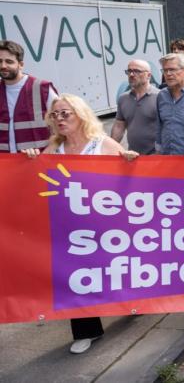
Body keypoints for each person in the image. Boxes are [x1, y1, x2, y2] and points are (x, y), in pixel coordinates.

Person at [23, 94, 138, 354]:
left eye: (66, 113)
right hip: (70, 229)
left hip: (107, 225)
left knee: (115, 270)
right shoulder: (53, 150)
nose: (60, 119)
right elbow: (37, 184)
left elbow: (132, 184)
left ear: (81, 115)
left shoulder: (102, 144)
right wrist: (30, 162)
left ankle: (132, 302)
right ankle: (87, 330)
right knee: (76, 277)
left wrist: (131, 162)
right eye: (55, 115)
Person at [0, 40, 58, 153]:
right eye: (0, 61)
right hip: (4, 164)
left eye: (9, 61)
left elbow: (62, 126)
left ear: (21, 65)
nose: (3, 66)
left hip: (37, 161)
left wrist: (48, 152)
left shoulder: (42, 88)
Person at [111, 59, 159, 154]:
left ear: (148, 75)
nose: (132, 75)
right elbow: (119, 127)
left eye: (137, 71)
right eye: (129, 71)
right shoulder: (123, 98)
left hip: (156, 158)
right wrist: (110, 148)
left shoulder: (160, 97)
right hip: (133, 156)